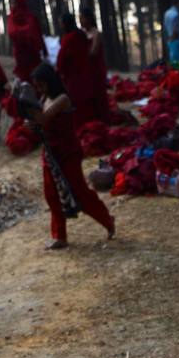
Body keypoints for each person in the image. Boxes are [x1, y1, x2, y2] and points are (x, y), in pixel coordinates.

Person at [26, 63, 114, 248]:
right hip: (50, 153)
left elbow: (42, 119)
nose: (39, 89)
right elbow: (39, 124)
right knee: (52, 194)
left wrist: (25, 106)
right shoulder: (43, 99)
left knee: (79, 192)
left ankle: (107, 220)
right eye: (37, 86)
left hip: (67, 152)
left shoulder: (62, 99)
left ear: (50, 82)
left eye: (42, 84)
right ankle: (60, 236)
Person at [55, 12, 97, 126]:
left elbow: (61, 60)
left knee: (78, 106)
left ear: (65, 24)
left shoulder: (69, 38)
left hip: (74, 78)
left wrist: (59, 72)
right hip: (85, 74)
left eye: (61, 23)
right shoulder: (81, 35)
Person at [78, 6, 112, 122]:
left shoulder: (96, 33)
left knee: (99, 93)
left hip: (96, 69)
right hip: (86, 69)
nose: (80, 20)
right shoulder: (81, 33)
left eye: (82, 18)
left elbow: (94, 52)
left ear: (88, 19)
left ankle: (104, 118)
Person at [6, 0, 45, 82]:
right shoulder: (12, 18)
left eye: (14, 3)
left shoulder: (30, 17)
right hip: (21, 56)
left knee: (37, 79)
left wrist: (43, 50)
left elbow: (36, 33)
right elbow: (12, 32)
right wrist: (25, 31)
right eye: (11, 3)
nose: (12, 5)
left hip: (33, 54)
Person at [164, 0, 179, 67]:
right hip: (175, 38)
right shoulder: (175, 14)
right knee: (177, 58)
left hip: (171, 38)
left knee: (173, 57)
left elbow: (165, 26)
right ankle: (178, 73)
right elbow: (175, 27)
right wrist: (173, 36)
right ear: (178, 3)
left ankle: (175, 72)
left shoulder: (167, 13)